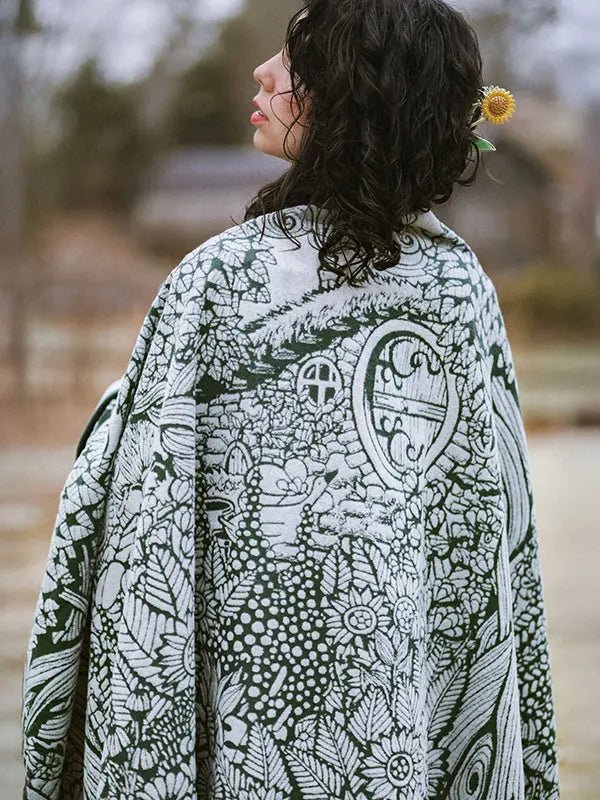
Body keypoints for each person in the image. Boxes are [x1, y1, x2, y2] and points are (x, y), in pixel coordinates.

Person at [21, 1, 560, 798]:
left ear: (352, 98)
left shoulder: (219, 279)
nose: (263, 72)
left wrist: (122, 413)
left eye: (296, 65)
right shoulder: (458, 287)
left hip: (257, 700)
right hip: (381, 710)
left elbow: (479, 525)